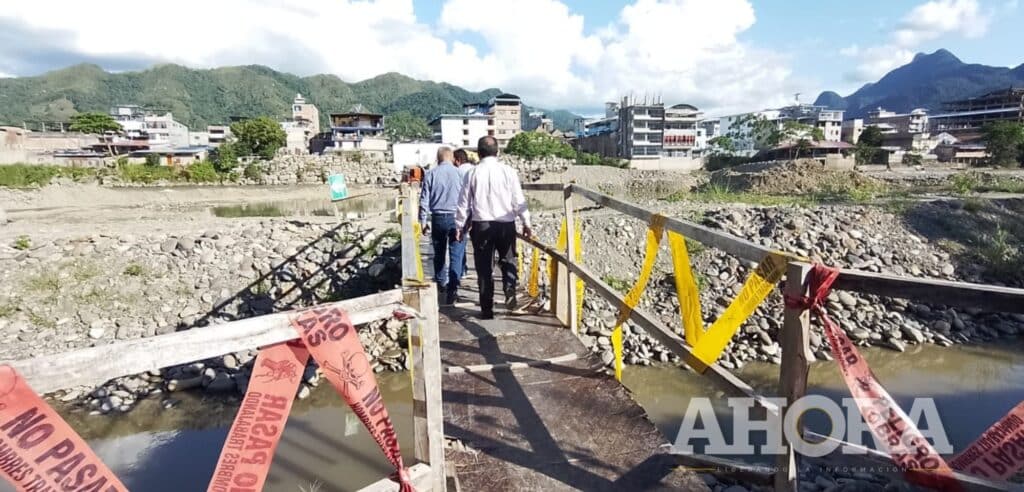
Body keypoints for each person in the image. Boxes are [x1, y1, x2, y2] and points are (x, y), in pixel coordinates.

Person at [455, 136, 531, 319]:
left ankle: (487, 309)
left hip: (481, 224)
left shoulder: (472, 173)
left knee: (484, 267)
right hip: (506, 223)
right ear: (498, 152)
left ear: (479, 153)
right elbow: (518, 200)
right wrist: (526, 222)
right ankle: (509, 288)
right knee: (508, 259)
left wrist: (459, 226)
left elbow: (464, 203)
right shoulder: (508, 172)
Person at [419, 147, 466, 305]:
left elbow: (424, 200)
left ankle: (441, 284)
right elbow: (467, 200)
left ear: (438, 158)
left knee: (439, 253)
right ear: (452, 158)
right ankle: (453, 289)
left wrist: (423, 221)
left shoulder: (430, 174)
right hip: (456, 219)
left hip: (438, 218)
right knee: (456, 254)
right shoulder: (460, 174)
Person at [453, 148, 473, 279]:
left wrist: (459, 223)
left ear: (457, 160)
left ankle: (462, 269)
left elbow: (461, 196)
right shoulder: (474, 169)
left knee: (461, 239)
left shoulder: (458, 172)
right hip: (478, 211)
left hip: (464, 209)